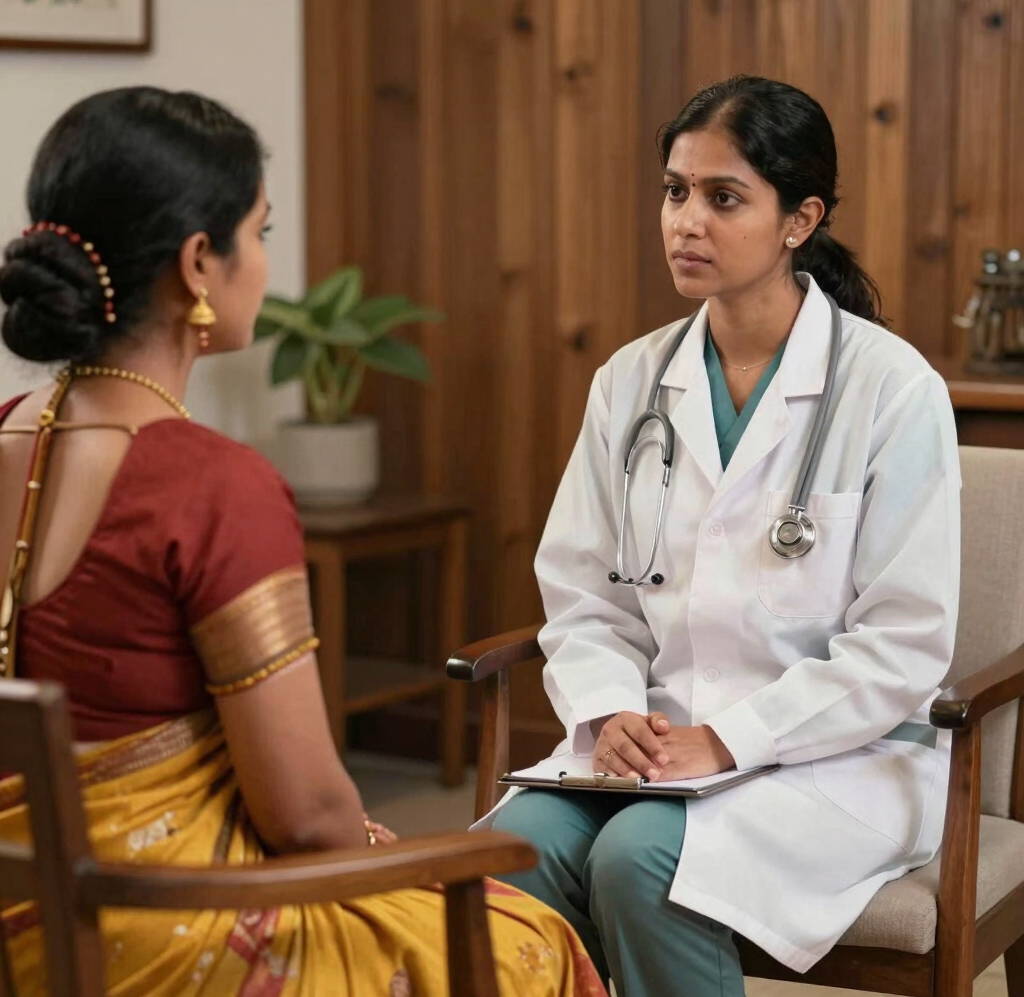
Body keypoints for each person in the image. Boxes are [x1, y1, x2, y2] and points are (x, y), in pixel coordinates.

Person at [0, 87, 607, 997]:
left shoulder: (11, 430)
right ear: (199, 263)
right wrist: (409, 853)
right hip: (158, 932)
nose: (265, 263)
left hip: (27, 917)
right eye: (262, 231)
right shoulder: (211, 485)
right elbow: (307, 817)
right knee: (531, 938)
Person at [488, 75, 961, 997]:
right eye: (675, 191)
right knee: (516, 853)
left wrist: (731, 739)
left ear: (800, 220)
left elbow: (903, 645)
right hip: (655, 739)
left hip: (843, 755)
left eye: (723, 197)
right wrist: (607, 709)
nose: (685, 221)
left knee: (640, 862)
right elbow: (585, 592)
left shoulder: (891, 389)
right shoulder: (632, 381)